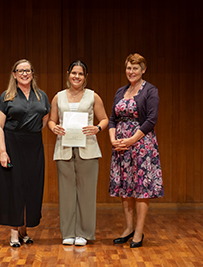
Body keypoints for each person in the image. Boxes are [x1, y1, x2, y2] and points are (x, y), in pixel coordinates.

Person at [48, 60, 109, 246]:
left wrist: (97, 128)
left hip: (88, 149)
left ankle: (83, 233)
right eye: (74, 73)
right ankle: (68, 233)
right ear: (68, 74)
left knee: (86, 193)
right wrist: (54, 128)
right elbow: (51, 120)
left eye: (80, 74)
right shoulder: (58, 97)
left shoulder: (93, 97)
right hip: (64, 148)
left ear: (85, 77)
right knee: (66, 193)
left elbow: (105, 119)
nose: (77, 77)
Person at [109, 53, 164, 248]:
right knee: (126, 187)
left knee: (141, 188)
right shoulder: (120, 92)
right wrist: (113, 140)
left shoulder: (150, 90)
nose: (131, 72)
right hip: (122, 146)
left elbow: (151, 119)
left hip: (141, 145)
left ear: (143, 69)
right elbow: (112, 119)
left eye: (135, 68)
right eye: (129, 68)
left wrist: (131, 140)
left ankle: (139, 232)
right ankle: (128, 227)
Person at [0, 59, 50, 247]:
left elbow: (45, 119)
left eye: (28, 70)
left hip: (34, 145)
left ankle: (24, 230)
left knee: (32, 187)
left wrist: (31, 131)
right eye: (20, 70)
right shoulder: (6, 96)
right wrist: (3, 151)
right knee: (14, 188)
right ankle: (14, 234)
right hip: (12, 144)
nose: (24, 74)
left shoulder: (42, 96)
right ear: (14, 74)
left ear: (33, 73)